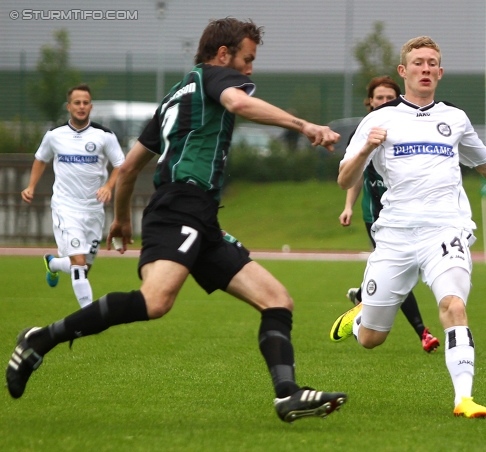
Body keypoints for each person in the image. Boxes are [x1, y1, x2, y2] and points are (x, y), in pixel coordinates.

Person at [7, 18, 347, 423]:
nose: (249, 71)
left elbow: (131, 169)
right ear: (223, 55)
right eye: (247, 59)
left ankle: (287, 395)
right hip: (180, 204)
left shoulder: (174, 95)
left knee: (277, 300)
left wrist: (121, 221)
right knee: (155, 301)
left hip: (198, 215)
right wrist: (304, 125)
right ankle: (39, 339)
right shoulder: (215, 79)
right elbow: (238, 103)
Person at [330, 36, 486, 418]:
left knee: (453, 305)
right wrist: (368, 147)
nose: (425, 69)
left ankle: (463, 398)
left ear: (440, 71)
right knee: (372, 339)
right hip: (395, 236)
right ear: (404, 72)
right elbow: (343, 178)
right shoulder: (378, 120)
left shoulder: (455, 118)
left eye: (432, 63)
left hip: (445, 231)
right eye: (418, 63)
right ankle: (361, 317)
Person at [337, 76, 439, 353]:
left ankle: (362, 296)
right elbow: (354, 175)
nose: (384, 102)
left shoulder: (410, 126)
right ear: (369, 101)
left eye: (389, 98)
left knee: (408, 271)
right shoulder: (364, 132)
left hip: (413, 216)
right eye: (378, 98)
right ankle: (423, 332)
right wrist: (348, 206)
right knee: (400, 274)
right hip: (379, 218)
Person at [21, 83, 124, 308]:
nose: (81, 106)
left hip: (94, 209)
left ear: (91, 106)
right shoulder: (55, 135)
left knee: (83, 267)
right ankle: (89, 315)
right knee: (78, 262)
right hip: (65, 207)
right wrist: (31, 186)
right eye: (77, 103)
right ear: (69, 106)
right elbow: (40, 158)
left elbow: (120, 165)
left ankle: (54, 264)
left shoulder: (104, 136)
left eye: (85, 103)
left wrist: (108, 186)